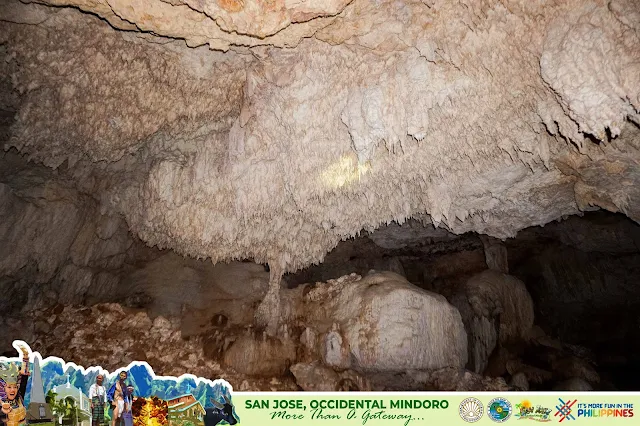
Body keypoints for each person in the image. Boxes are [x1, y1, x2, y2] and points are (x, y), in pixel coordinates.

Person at [0, 346, 30, 426]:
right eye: (9, 387)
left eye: (15, 387)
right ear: (3, 388)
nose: (13, 390)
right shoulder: (1, 402)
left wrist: (25, 357)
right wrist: (3, 411)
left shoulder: (19, 398)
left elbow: (24, 379)